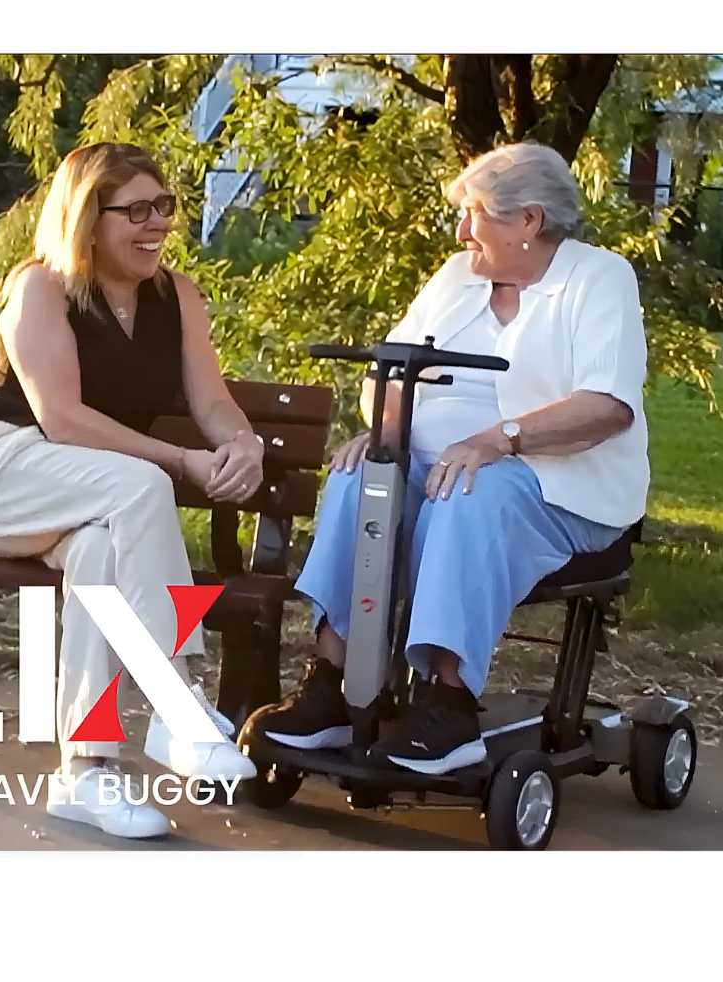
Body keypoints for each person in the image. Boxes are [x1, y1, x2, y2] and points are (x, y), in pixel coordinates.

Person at [253, 140, 649, 776]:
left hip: (561, 489)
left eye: (477, 213)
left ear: (530, 220)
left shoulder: (598, 277)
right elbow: (391, 371)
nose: (462, 230)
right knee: (361, 477)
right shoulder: (457, 276)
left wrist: (500, 439)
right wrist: (388, 433)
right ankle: (332, 682)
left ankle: (447, 706)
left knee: (470, 490)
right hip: (443, 473)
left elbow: (606, 406)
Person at [0, 142, 262, 840]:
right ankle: (180, 705)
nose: (158, 224)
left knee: (99, 561)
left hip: (94, 493)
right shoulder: (42, 288)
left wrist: (240, 443)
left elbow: (212, 402)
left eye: (165, 207)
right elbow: (61, 420)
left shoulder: (176, 297)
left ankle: (84, 773)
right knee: (143, 486)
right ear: (89, 219)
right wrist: (184, 461)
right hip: (6, 474)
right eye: (137, 211)